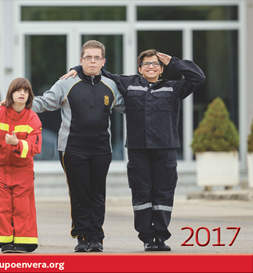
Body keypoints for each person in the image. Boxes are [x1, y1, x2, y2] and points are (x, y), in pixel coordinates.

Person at [63, 50, 205, 251]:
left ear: (161, 69)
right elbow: (101, 73)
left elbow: (198, 77)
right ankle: (147, 237)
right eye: (146, 64)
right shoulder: (129, 84)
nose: (151, 67)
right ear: (140, 68)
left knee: (163, 195)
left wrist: (174, 62)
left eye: (155, 64)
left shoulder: (173, 88)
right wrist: (77, 69)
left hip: (165, 150)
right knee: (142, 194)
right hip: (139, 151)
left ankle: (161, 237)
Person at [31, 40, 125, 252]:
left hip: (102, 149)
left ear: (103, 62)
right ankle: (82, 237)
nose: (92, 61)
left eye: (96, 58)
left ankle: (96, 238)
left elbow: (130, 105)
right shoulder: (66, 83)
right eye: (88, 57)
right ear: (80, 61)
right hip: (73, 148)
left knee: (97, 193)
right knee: (80, 193)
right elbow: (46, 102)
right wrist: (18, 102)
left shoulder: (111, 85)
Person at [0, 77, 42, 253]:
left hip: (22, 168)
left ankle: (23, 242)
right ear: (10, 94)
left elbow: (35, 146)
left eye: (25, 91)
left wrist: (17, 143)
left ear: (29, 95)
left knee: (22, 205)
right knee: (1, 204)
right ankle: (5, 241)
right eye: (18, 90)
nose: (22, 93)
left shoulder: (33, 118)